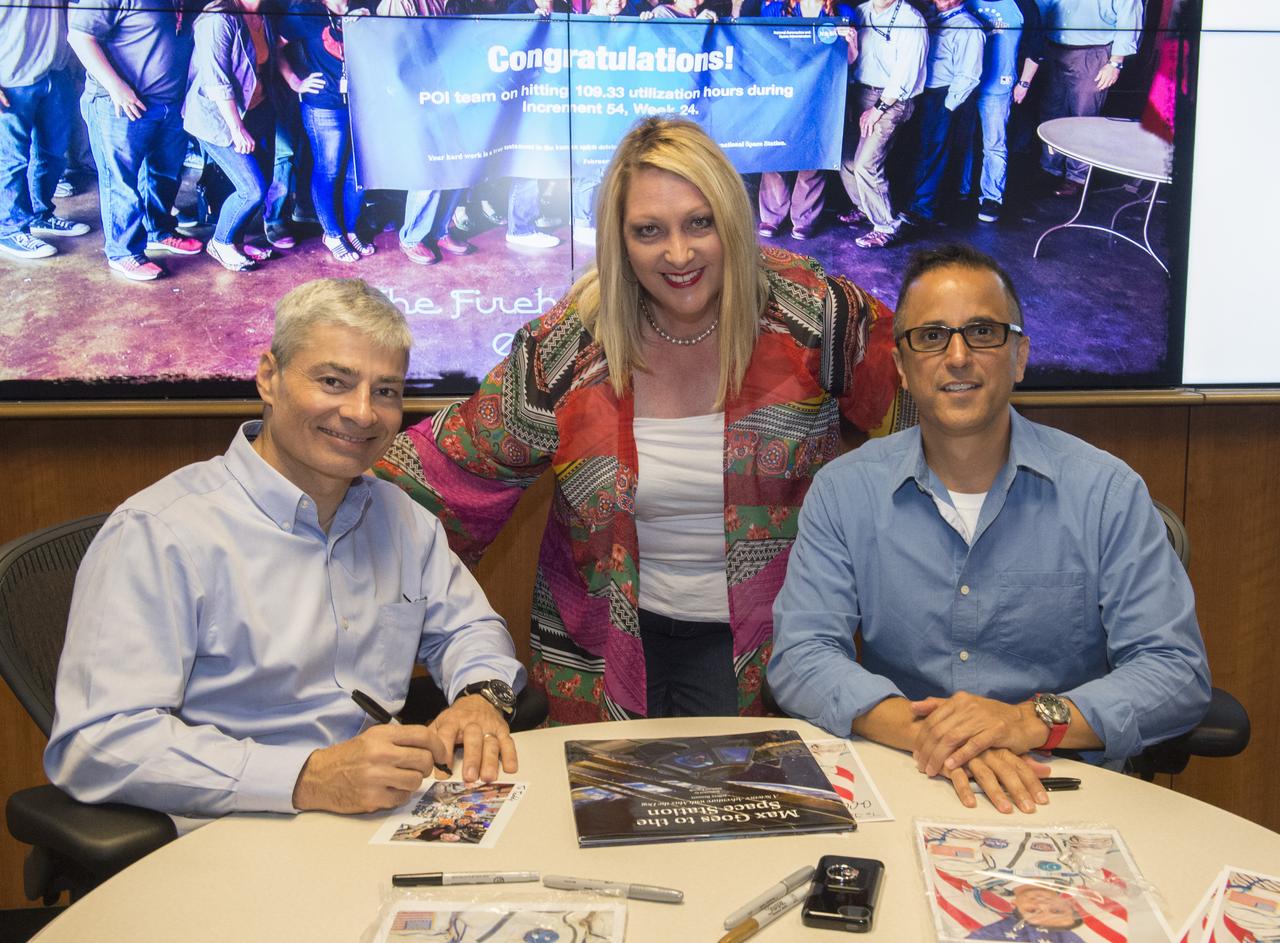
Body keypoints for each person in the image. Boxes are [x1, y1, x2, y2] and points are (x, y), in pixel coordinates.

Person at [373, 117, 904, 725]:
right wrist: (314, 522)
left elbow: (924, 418)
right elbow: (450, 470)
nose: (678, 254)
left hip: (776, 652)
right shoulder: (571, 345)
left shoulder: (817, 314)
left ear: (731, 215)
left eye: (699, 223)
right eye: (649, 231)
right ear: (618, 241)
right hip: (600, 654)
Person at [45, 278, 525, 821]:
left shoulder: (401, 519)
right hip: (235, 831)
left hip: (379, 816)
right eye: (333, 381)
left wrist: (480, 697)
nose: (363, 413)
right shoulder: (160, 533)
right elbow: (97, 744)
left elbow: (469, 629)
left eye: (386, 390)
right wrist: (307, 777)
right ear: (269, 377)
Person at [769, 243, 1210, 813]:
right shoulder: (843, 491)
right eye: (930, 336)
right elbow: (802, 655)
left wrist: (1025, 722)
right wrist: (933, 733)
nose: (957, 356)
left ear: (1019, 356)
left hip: (1065, 786)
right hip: (907, 776)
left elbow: (1175, 673)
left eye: (982, 332)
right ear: (901, 367)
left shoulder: (1106, 491)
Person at [68, 0, 203, 281]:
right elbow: (80, 37)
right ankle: (124, 252)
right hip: (121, 103)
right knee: (122, 181)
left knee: (164, 174)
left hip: (169, 104)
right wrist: (117, 87)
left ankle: (159, 231)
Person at [183, 0, 285, 271]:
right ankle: (221, 241)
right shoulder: (218, 19)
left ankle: (236, 243)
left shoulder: (263, 14)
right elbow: (216, 80)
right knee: (251, 188)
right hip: (219, 119)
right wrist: (236, 128)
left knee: (261, 182)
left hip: (258, 111)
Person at [278, 0, 374, 263]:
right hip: (324, 106)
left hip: (361, 103)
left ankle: (350, 229)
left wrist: (367, 19)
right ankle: (332, 234)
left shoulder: (363, 8)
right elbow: (275, 46)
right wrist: (295, 82)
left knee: (359, 171)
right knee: (329, 169)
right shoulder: (303, 11)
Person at [755, 0, 856, 242]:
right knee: (774, 151)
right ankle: (771, 216)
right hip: (782, 92)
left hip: (821, 94)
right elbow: (759, 47)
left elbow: (850, 62)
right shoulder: (774, 9)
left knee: (813, 155)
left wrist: (851, 41)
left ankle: (804, 218)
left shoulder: (843, 12)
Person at [0, 0, 92, 261]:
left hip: (54, 72)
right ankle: (10, 228)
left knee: (53, 154)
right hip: (10, 79)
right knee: (12, 160)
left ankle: (41, 214)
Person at [836, 0, 928, 249]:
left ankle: (886, 226)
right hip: (862, 92)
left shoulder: (912, 20)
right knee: (844, 158)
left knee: (866, 163)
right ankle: (865, 208)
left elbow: (905, 76)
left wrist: (877, 109)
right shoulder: (861, 12)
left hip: (893, 100)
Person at [1038, 0, 1143, 198]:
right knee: (1051, 112)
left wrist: (1115, 63)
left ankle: (1076, 177)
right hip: (1053, 48)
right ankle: (1050, 167)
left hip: (1092, 53)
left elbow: (1130, 21)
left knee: (1083, 117)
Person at [898, 0, 985, 231]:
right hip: (921, 92)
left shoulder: (968, 27)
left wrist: (948, 105)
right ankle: (911, 201)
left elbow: (969, 74)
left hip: (942, 95)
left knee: (934, 152)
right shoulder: (930, 17)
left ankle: (923, 209)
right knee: (919, 149)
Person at [961, 0, 1043, 224]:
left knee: (994, 143)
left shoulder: (1022, 5)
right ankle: (961, 190)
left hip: (999, 85)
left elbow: (1035, 47)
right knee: (962, 140)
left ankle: (991, 197)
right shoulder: (966, 2)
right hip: (963, 85)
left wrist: (1024, 83)